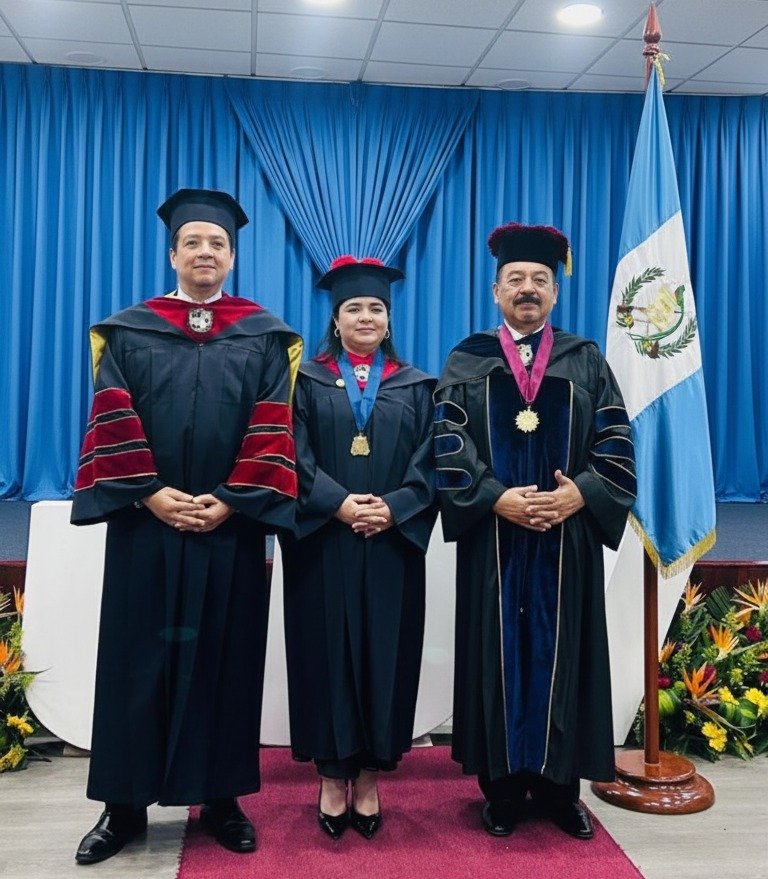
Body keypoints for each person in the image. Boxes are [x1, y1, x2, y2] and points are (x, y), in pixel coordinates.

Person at [70, 188, 302, 864]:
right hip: (148, 525)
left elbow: (272, 424)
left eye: (218, 243)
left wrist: (233, 498)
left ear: (232, 256)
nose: (206, 251)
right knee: (136, 662)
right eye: (193, 241)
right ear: (173, 253)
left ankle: (222, 797)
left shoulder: (263, 334)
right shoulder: (130, 330)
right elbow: (112, 413)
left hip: (229, 527)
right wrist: (149, 493)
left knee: (225, 661)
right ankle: (122, 806)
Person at [434, 223, 636, 840]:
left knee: (563, 652)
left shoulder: (585, 360)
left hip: (563, 538)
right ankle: (500, 789)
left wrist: (581, 493)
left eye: (540, 280)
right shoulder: (467, 358)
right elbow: (447, 442)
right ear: (496, 291)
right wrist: (495, 499)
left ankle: (558, 791)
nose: (528, 289)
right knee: (497, 655)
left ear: (554, 292)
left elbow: (617, 443)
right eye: (516, 279)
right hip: (496, 540)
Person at [281, 256, 436, 841]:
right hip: (325, 541)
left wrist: (394, 507)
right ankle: (330, 775)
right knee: (324, 654)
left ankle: (369, 777)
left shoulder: (418, 387)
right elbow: (291, 453)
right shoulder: (307, 380)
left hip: (391, 544)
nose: (365, 317)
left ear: (388, 320)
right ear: (336, 318)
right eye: (354, 309)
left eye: (375, 308)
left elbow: (432, 460)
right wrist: (338, 503)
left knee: (384, 654)